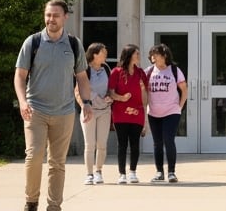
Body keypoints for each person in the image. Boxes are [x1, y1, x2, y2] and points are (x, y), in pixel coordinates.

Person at [14, 0, 92, 211]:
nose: (51, 19)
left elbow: (82, 78)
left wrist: (86, 102)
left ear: (65, 17)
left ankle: (54, 206)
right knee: (34, 155)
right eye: (48, 15)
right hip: (35, 110)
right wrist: (22, 102)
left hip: (64, 112)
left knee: (58, 162)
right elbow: (20, 76)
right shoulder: (33, 42)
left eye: (56, 15)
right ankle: (31, 201)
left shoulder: (74, 45)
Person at [145, 42, 187, 183]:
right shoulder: (149, 71)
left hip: (171, 111)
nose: (153, 57)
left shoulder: (174, 70)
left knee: (169, 140)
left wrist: (179, 106)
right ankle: (159, 172)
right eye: (152, 54)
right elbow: (142, 90)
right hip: (153, 112)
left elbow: (184, 89)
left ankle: (171, 172)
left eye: (156, 54)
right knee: (157, 143)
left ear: (164, 56)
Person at [108, 44, 148, 184]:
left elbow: (145, 98)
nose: (138, 56)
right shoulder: (116, 72)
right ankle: (122, 174)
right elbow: (111, 93)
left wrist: (143, 91)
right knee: (122, 144)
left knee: (135, 144)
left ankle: (133, 172)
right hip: (120, 113)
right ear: (129, 55)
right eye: (136, 53)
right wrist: (121, 98)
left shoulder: (141, 73)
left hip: (137, 113)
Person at [77, 43, 112, 185]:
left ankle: (99, 171)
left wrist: (110, 96)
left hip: (105, 111)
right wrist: (84, 107)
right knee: (90, 144)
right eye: (103, 53)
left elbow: (110, 88)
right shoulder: (85, 69)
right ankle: (89, 174)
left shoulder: (107, 69)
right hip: (89, 111)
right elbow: (77, 91)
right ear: (94, 54)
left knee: (102, 144)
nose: (105, 55)